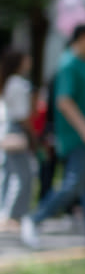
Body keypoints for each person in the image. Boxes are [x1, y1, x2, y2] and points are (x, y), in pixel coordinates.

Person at [20, 24, 85, 248]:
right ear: (84, 38)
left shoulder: (83, 65)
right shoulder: (69, 64)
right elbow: (64, 101)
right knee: (73, 184)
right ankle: (34, 219)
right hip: (78, 138)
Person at [0, 49, 34, 232]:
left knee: (8, 173)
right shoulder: (18, 83)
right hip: (16, 130)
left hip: (6, 129)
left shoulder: (8, 81)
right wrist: (32, 135)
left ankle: (6, 214)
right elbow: (22, 115)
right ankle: (13, 216)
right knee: (23, 175)